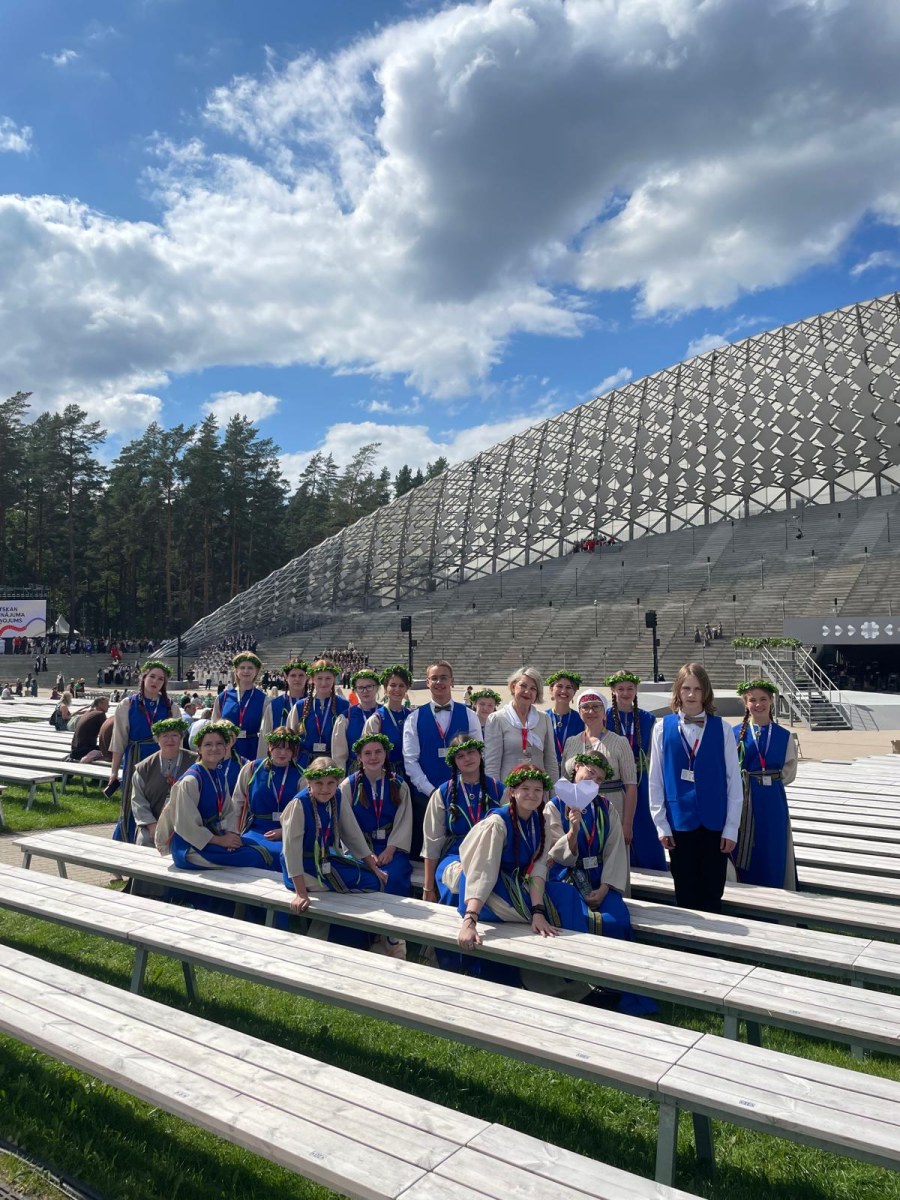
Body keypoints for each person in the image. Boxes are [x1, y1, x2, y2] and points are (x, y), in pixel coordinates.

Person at [547, 754, 654, 1013]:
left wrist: (606, 887)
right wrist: (573, 832)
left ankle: (617, 987)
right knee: (579, 920)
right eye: (590, 772)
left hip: (600, 879)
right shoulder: (555, 806)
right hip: (566, 880)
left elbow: (615, 850)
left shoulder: (606, 808)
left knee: (617, 920)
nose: (593, 779)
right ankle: (584, 989)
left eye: (599, 778)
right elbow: (554, 854)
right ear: (576, 769)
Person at [648, 663, 743, 913]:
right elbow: (655, 780)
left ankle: (716, 935)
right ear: (678, 691)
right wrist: (661, 824)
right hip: (679, 822)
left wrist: (731, 827)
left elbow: (734, 781)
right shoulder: (661, 728)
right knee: (685, 890)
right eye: (686, 688)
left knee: (713, 891)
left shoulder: (723, 729)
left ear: (706, 692)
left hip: (715, 822)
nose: (691, 694)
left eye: (697, 689)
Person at [280, 757, 388, 946]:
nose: (325, 789)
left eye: (330, 783)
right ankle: (331, 937)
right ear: (309, 782)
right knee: (367, 883)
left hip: (325, 861)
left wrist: (374, 867)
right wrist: (301, 893)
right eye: (319, 783)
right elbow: (291, 851)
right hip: (302, 869)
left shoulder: (336, 796)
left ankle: (349, 936)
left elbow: (352, 833)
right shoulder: (299, 804)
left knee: (374, 879)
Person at [156, 725, 279, 871]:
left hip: (216, 838)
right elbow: (186, 825)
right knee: (256, 857)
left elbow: (227, 811)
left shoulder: (218, 775)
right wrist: (220, 841)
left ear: (226, 747)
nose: (214, 748)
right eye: (208, 744)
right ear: (199, 749)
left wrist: (230, 835)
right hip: (191, 848)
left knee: (260, 850)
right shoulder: (191, 781)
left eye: (219, 743)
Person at [402, 660, 481, 858]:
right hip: (425, 796)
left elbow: (479, 753)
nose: (439, 682)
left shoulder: (470, 715)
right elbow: (410, 760)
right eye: (434, 678)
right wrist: (431, 791)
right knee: (428, 852)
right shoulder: (414, 718)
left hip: (464, 793)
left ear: (452, 681)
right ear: (428, 682)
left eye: (444, 678)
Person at [422, 734, 503, 908]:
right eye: (460, 756)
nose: (467, 758)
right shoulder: (443, 793)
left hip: (490, 854)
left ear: (480, 754)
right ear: (454, 762)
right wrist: (428, 887)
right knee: (457, 881)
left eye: (471, 752)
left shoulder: (498, 789)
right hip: (455, 855)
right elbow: (432, 842)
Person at [733, 680, 798, 889]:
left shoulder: (783, 735)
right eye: (752, 700)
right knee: (746, 843)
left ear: (771, 701)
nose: (758, 704)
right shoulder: (735, 733)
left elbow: (789, 770)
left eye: (763, 699)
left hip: (772, 801)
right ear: (746, 703)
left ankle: (776, 887)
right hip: (745, 798)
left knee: (773, 843)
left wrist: (768, 781)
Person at [109, 661, 182, 839]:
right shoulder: (127, 704)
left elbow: (178, 740)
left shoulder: (171, 707)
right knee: (132, 801)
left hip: (162, 759)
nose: (155, 681)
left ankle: (158, 839)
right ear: (143, 678)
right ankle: (126, 839)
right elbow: (118, 741)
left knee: (160, 799)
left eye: (160, 679)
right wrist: (113, 772)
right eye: (152, 676)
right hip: (136, 757)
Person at [341, 732, 413, 900]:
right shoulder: (348, 786)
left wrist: (391, 849)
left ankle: (395, 916)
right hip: (359, 848)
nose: (373, 757)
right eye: (367, 753)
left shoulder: (399, 784)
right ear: (359, 757)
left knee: (393, 876)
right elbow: (345, 824)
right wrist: (365, 853)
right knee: (363, 876)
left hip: (391, 848)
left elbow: (404, 821)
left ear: (385, 754)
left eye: (378, 751)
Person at [606, 671, 666, 871]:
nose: (625, 693)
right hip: (615, 778)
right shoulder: (605, 716)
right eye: (620, 689)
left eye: (630, 688)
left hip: (641, 778)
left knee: (644, 820)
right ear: (613, 690)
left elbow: (654, 752)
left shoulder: (647, 718)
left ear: (636, 690)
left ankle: (652, 865)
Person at [233, 726, 304, 871]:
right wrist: (233, 833)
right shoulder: (252, 768)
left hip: (288, 832)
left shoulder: (301, 776)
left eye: (288, 749)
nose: (283, 753)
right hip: (256, 829)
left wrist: (283, 831)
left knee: (284, 855)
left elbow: (305, 813)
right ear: (270, 747)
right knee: (244, 851)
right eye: (279, 747)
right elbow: (236, 804)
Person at [484, 668, 559, 786]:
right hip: (508, 791)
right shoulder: (497, 719)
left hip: (538, 791)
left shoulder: (544, 719)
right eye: (523, 686)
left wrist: (553, 793)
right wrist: (495, 793)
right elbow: (492, 766)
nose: (527, 691)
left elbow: (551, 762)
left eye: (533, 688)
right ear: (513, 687)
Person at [130, 718, 196, 847]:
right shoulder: (144, 767)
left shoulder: (195, 762)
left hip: (187, 821)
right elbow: (138, 800)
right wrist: (151, 825)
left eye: (174, 735)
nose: (170, 740)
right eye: (165, 736)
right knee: (144, 841)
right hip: (153, 821)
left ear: (181, 738)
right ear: (157, 739)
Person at [288, 658, 350, 768]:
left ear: (334, 679)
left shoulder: (344, 706)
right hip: (305, 765)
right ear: (312, 679)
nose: (323, 683)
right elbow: (291, 737)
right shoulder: (300, 706)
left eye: (328, 678)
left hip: (333, 764)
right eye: (319, 678)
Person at [211, 652, 267, 760]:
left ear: (256, 671)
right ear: (236, 671)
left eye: (250, 668)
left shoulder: (263, 699)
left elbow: (265, 730)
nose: (246, 671)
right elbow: (214, 725)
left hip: (252, 748)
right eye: (242, 667)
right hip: (226, 749)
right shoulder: (223, 697)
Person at [362, 665, 412, 770]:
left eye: (401, 685)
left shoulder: (412, 716)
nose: (397, 689)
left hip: (411, 771)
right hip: (385, 772)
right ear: (385, 689)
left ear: (406, 689)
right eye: (393, 685)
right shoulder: (376, 720)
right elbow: (368, 751)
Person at [332, 669, 382, 771]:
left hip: (382, 769)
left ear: (377, 687)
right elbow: (339, 756)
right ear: (355, 690)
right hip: (354, 770)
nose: (365, 691)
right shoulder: (346, 717)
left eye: (369, 686)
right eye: (360, 688)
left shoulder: (385, 714)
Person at [545, 670, 585, 769]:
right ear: (551, 689)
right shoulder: (543, 717)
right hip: (547, 770)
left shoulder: (581, 719)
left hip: (572, 770)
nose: (563, 691)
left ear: (574, 692)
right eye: (559, 686)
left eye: (568, 687)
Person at [261, 660, 309, 738]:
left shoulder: (314, 703)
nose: (297, 679)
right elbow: (265, 735)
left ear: (307, 677)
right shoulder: (274, 705)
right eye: (293, 675)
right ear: (286, 677)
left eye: (301, 675)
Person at [69, 696, 110, 762]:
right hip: (84, 751)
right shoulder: (100, 714)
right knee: (112, 753)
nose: (109, 706)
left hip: (75, 750)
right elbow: (105, 734)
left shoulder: (88, 712)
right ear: (100, 704)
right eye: (107, 704)